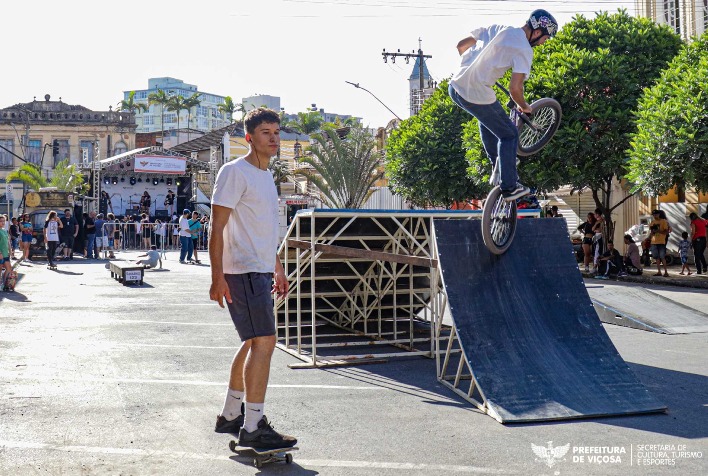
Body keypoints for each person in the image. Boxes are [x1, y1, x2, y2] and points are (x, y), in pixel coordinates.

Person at [209, 107, 296, 449]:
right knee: (264, 343)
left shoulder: (265, 177)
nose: (273, 138)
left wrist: (277, 266)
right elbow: (216, 229)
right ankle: (253, 427)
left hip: (259, 270)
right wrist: (217, 278)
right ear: (249, 137)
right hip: (241, 271)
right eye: (265, 132)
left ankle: (231, 416)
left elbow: (262, 231)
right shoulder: (235, 172)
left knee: (252, 343)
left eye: (276, 132)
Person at [449, 10, 558, 201]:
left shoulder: (498, 28)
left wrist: (476, 68)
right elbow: (515, 88)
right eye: (545, 39)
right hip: (475, 92)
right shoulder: (524, 49)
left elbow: (461, 46)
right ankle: (510, 187)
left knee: (487, 117)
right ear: (538, 32)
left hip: (455, 88)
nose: (543, 44)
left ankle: (497, 165)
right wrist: (524, 106)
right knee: (509, 134)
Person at [649, 209, 669, 276]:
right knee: (656, 258)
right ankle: (659, 271)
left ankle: (666, 272)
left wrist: (658, 231)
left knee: (662, 257)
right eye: (654, 215)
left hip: (661, 242)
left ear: (659, 214)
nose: (655, 216)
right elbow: (651, 233)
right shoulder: (652, 222)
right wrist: (650, 236)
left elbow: (666, 232)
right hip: (653, 242)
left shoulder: (663, 221)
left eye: (656, 214)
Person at [0, 215, 11, 289]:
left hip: (5, 253)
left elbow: (7, 241)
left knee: (9, 269)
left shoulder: (4, 230)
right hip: (1, 254)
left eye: (4, 221)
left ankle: (3, 284)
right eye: (1, 221)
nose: (3, 222)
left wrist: (10, 250)